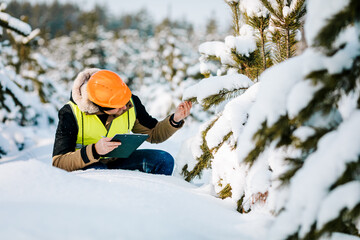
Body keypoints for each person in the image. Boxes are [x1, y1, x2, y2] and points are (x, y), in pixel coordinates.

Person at [52, 68, 192, 175]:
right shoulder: (70, 113)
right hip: (87, 165)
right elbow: (59, 162)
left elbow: (154, 133)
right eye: (118, 105)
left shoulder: (131, 102)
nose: (125, 107)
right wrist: (94, 150)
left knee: (164, 160)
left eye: (124, 100)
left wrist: (175, 119)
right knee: (99, 172)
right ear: (101, 107)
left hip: (118, 160)